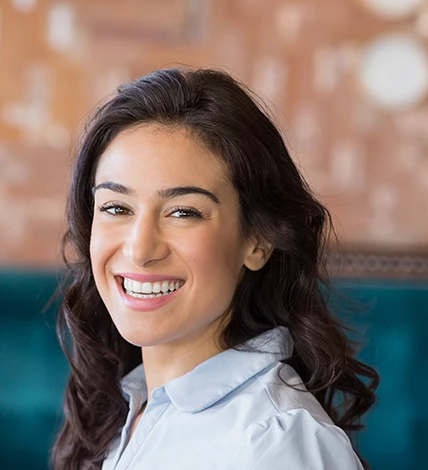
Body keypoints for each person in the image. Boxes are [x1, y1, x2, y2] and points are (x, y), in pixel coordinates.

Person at [50, 68, 379, 470]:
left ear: (258, 241)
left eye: (184, 212)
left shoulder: (276, 443)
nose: (139, 249)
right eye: (116, 208)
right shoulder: (130, 408)